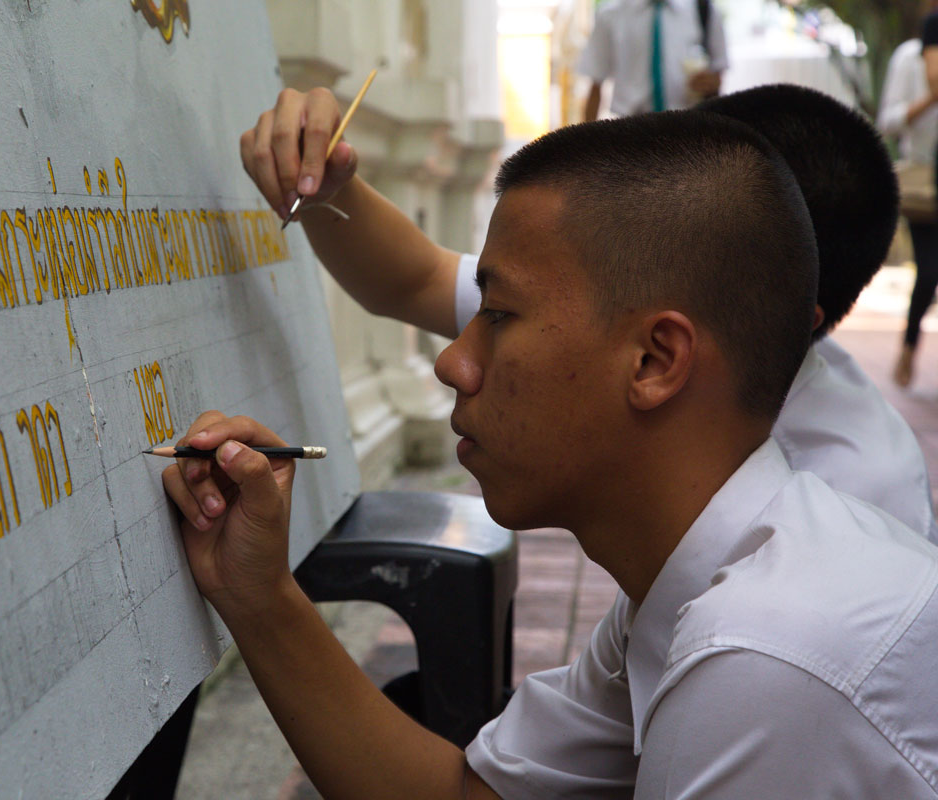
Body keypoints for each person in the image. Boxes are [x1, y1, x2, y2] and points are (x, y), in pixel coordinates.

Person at [165, 112, 938, 796]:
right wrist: (256, 595)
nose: (452, 362)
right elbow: (464, 794)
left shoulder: (767, 657)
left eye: (498, 314)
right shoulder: (688, 588)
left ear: (655, 361)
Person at [241, 83, 937, 540]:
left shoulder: (838, 523)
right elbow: (415, 277)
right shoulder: (663, 319)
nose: (455, 364)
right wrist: (327, 183)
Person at [881, 9, 938, 388]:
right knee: (929, 271)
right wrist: (932, 97)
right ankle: (909, 344)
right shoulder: (908, 57)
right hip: (924, 183)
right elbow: (888, 121)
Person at [579, 0, 727, 121]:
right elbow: (595, 86)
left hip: (689, 127)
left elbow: (718, 74)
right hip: (632, 131)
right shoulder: (610, 14)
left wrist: (710, 82)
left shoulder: (704, 10)